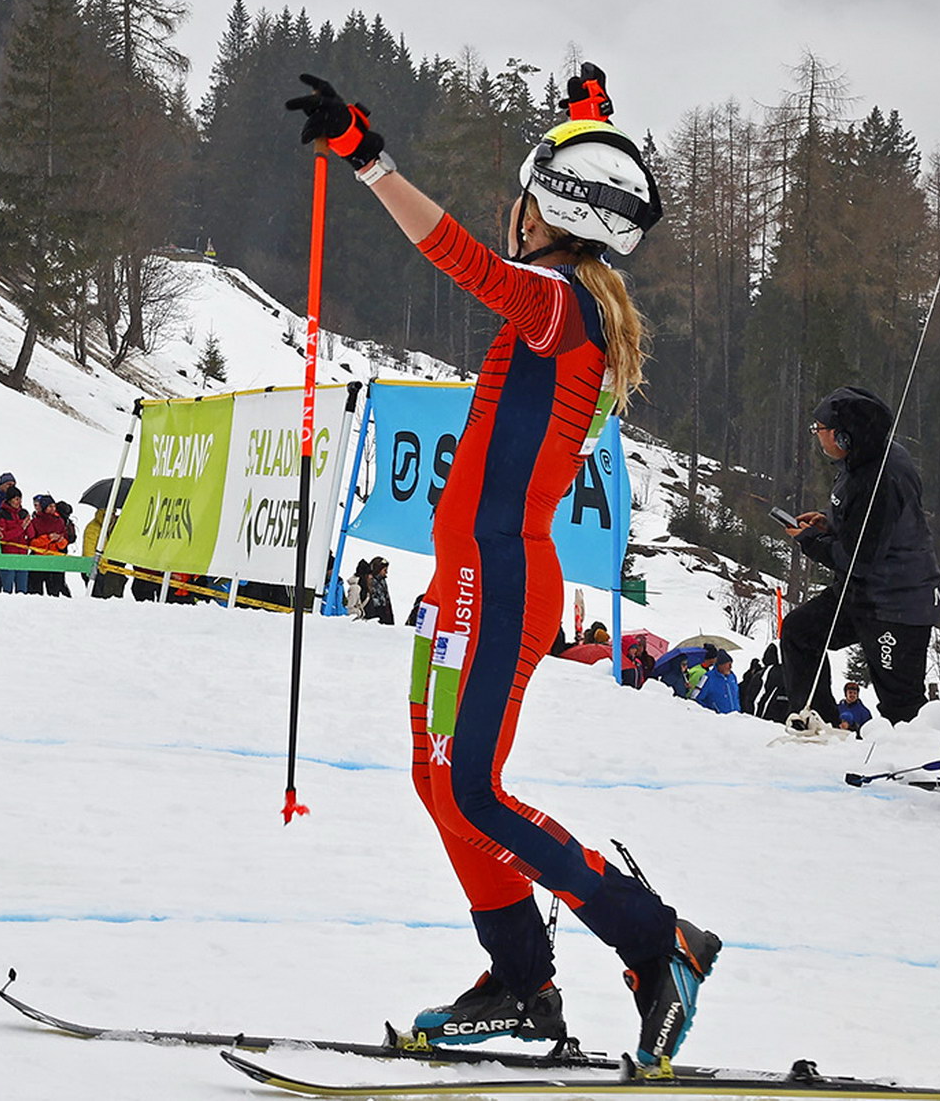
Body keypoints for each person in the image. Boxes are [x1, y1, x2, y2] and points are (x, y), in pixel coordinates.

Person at [290, 62, 714, 1067]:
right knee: (437, 782)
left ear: (554, 213)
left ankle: (660, 944)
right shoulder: (568, 299)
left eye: (524, 202)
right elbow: (574, 201)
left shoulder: (561, 305)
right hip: (462, 587)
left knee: (474, 788)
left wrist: (367, 159)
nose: (509, 217)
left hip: (501, 584)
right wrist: (585, 120)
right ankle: (522, 982)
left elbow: (466, 262)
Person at [779, 387, 940, 728]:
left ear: (843, 436)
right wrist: (831, 524)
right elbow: (864, 532)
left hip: (896, 605)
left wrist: (810, 541)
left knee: (901, 704)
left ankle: (915, 763)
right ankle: (820, 724)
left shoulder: (880, 478)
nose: (816, 436)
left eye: (819, 429)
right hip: (862, 594)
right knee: (800, 632)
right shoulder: (862, 459)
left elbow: (858, 558)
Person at [363, 557, 396, 624]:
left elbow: (387, 600)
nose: (386, 572)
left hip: (384, 616)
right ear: (378, 569)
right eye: (384, 570)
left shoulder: (382, 581)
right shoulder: (368, 581)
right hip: (373, 618)